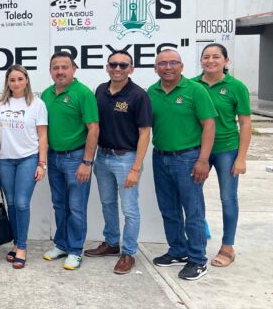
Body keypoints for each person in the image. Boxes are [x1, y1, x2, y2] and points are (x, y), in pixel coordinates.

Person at [149, 49, 216, 281]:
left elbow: (209, 125)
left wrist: (203, 160)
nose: (168, 67)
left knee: (193, 211)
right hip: (160, 157)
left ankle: (198, 260)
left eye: (173, 63)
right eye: (162, 63)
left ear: (181, 66)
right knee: (169, 209)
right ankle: (178, 250)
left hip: (188, 158)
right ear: (156, 68)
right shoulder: (152, 92)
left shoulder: (195, 90)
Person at [86, 51, 151, 275]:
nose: (118, 68)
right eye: (113, 64)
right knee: (107, 203)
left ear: (131, 69)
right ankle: (111, 243)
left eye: (123, 65)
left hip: (127, 159)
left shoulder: (138, 95)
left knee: (130, 209)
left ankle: (129, 252)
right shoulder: (100, 91)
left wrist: (136, 167)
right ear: (107, 67)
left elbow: (145, 133)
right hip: (102, 157)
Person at [41, 51, 99, 271]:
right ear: (50, 71)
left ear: (74, 69)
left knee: (76, 207)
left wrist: (87, 162)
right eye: (55, 67)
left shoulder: (83, 93)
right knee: (59, 204)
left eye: (64, 67)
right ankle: (62, 244)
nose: (60, 71)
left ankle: (75, 250)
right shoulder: (46, 94)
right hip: (54, 157)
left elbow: (93, 129)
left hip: (76, 158)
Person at [195, 43, 251, 268]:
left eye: (216, 57)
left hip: (227, 149)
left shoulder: (236, 86)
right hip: (198, 150)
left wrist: (241, 157)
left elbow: (245, 123)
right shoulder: (192, 85)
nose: (210, 61)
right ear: (201, 61)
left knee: (228, 198)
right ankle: (198, 238)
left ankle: (228, 246)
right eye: (206, 57)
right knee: (192, 195)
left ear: (226, 61)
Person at [0, 65, 48, 269]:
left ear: (26, 81)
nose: (16, 83)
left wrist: (41, 163)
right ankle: (16, 243)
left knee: (21, 203)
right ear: (7, 82)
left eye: (20, 79)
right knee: (10, 202)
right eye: (12, 80)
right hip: (4, 159)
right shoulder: (0, 103)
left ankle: (22, 247)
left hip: (28, 158)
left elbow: (43, 135)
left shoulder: (37, 104)